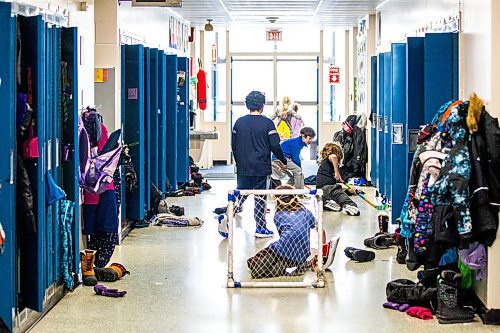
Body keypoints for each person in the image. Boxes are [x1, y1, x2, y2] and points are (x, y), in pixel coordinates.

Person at [247, 185, 339, 279]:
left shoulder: (278, 215)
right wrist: (321, 250)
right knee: (264, 264)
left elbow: (285, 239)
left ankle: (285, 267)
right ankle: (298, 266)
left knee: (253, 265)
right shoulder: (306, 212)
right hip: (301, 256)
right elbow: (321, 231)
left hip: (281, 250)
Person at [231, 90, 288, 238]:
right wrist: (283, 161)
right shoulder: (267, 123)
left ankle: (228, 216)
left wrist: (239, 161)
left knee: (241, 192)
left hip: (243, 166)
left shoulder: (239, 123)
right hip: (261, 166)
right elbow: (275, 145)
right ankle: (261, 228)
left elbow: (234, 146)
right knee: (260, 197)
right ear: (263, 105)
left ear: (247, 105)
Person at [317, 142, 360, 216]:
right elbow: (333, 156)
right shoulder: (330, 159)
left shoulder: (325, 164)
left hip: (320, 192)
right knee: (340, 195)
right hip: (329, 188)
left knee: (337, 193)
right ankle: (350, 206)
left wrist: (348, 191)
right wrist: (337, 172)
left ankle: (326, 202)